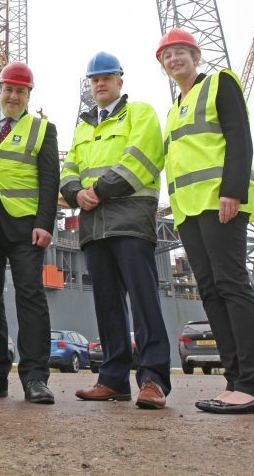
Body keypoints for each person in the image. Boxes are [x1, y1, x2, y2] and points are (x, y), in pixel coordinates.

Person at [157, 28, 254, 415]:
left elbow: (239, 135)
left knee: (232, 285)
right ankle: (235, 380)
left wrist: (233, 190)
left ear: (196, 55)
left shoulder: (220, 82)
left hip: (219, 201)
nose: (174, 59)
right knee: (210, 291)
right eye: (167, 55)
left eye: (180, 52)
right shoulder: (175, 106)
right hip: (188, 210)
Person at [60, 52, 172, 410]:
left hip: (129, 220)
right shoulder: (82, 127)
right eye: (95, 80)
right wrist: (75, 192)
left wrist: (97, 191)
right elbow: (69, 168)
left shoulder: (139, 113)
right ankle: (112, 379)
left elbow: (143, 157)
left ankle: (153, 378)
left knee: (143, 301)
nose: (100, 84)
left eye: (107, 77)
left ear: (120, 81)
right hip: (94, 227)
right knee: (107, 305)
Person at [0, 62, 58, 405]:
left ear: (29, 95)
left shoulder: (43, 129)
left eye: (20, 91)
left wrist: (45, 223)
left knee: (29, 295)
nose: (13, 96)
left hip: (24, 225)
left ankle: (35, 377)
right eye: (8, 89)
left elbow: (50, 180)